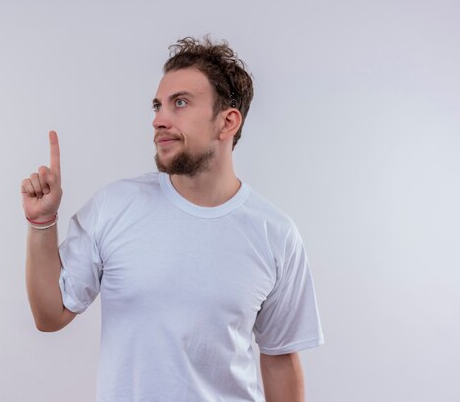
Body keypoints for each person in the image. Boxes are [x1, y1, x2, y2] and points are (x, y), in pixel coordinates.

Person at [21, 36, 324, 402]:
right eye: (157, 106)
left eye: (179, 103)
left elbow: (280, 359)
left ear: (227, 122)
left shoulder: (275, 234)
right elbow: (50, 315)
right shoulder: (115, 207)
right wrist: (42, 223)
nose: (158, 120)